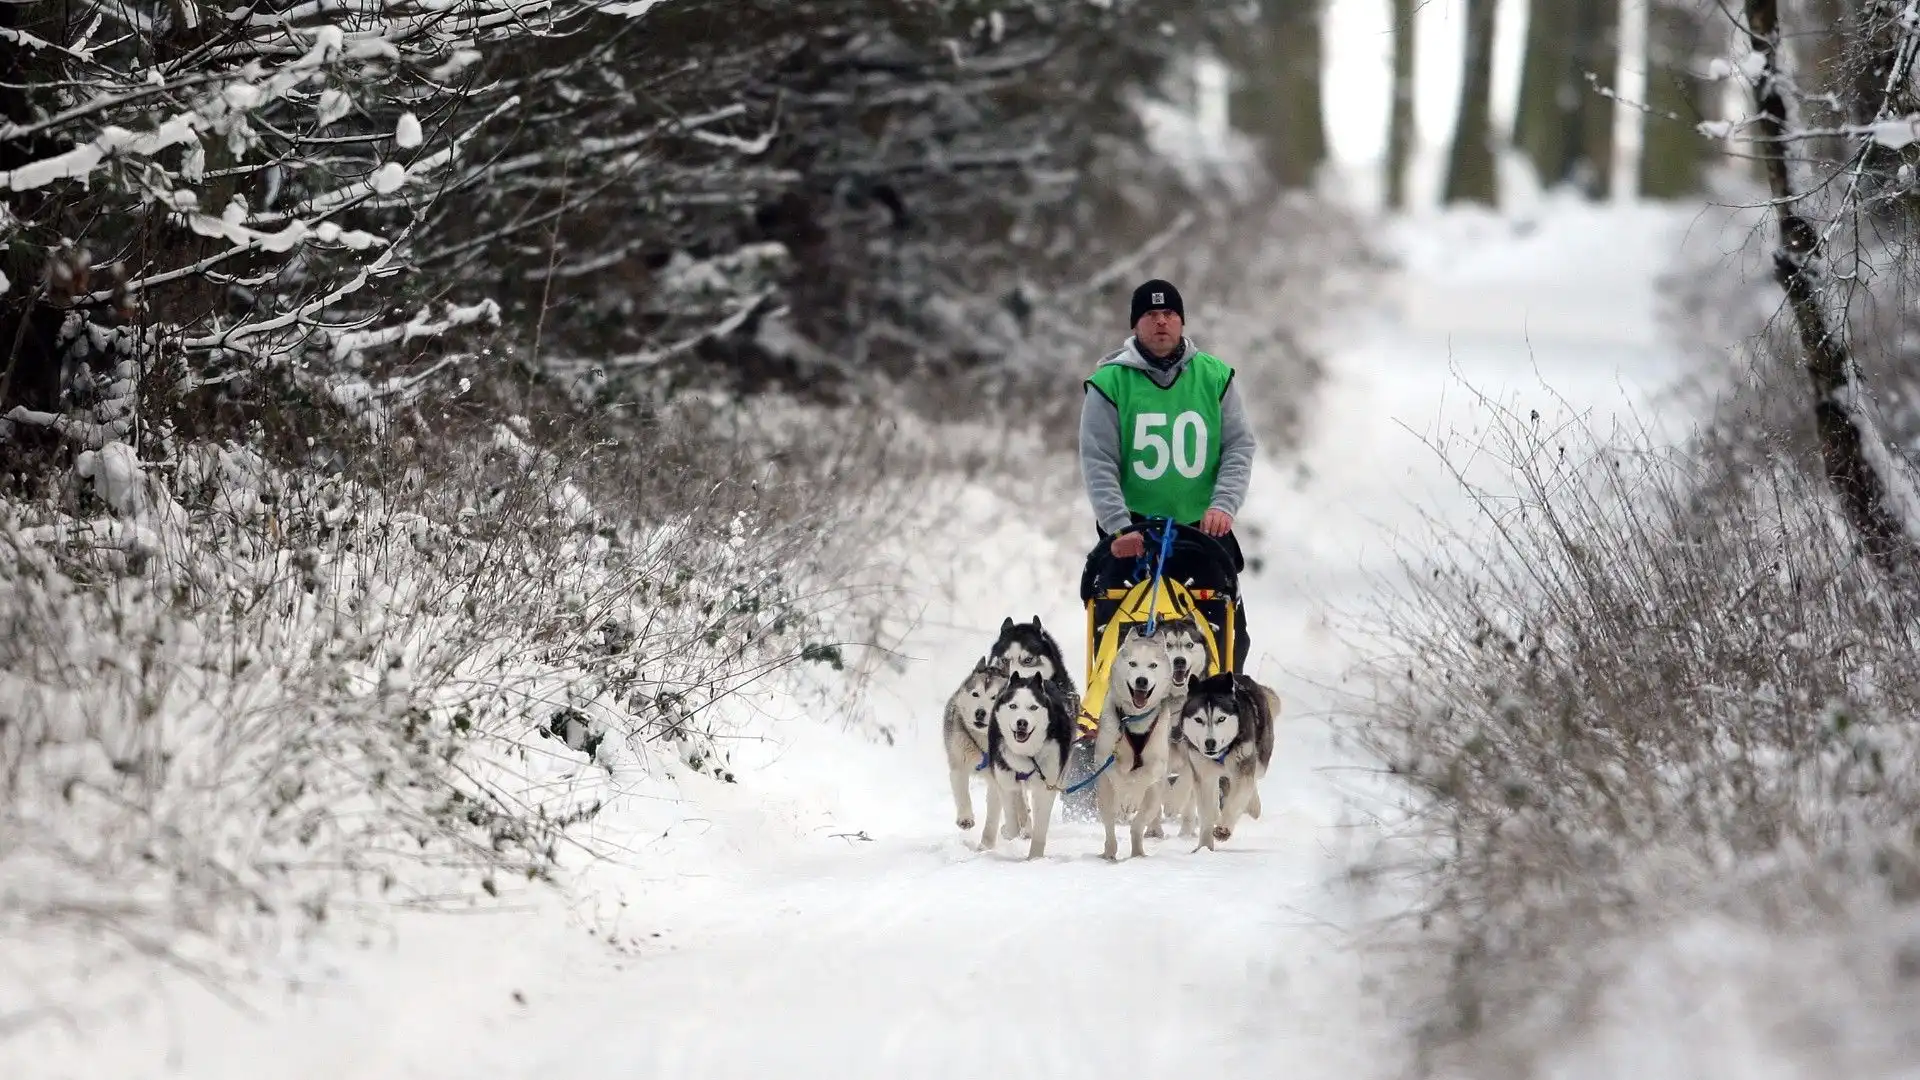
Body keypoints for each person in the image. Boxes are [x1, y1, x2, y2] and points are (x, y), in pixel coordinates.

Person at [1078, 277, 1256, 669]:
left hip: (1203, 532)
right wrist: (1117, 527)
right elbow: (1098, 460)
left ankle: (1221, 710)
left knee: (1230, 641)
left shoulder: (1215, 376)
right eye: (1151, 314)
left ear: (1181, 321)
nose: (1161, 322)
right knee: (1115, 639)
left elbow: (1239, 446)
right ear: (1135, 325)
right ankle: (1110, 721)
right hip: (1133, 532)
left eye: (1169, 313)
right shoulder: (1109, 383)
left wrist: (1224, 505)